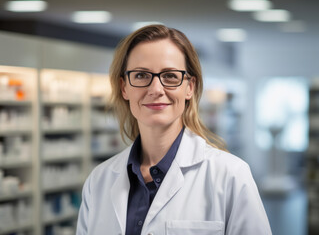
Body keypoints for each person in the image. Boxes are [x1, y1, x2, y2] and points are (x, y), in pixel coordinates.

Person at [76, 24, 272, 235]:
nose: (156, 90)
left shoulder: (230, 175)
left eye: (170, 75)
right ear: (124, 87)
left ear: (190, 87)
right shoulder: (99, 181)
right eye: (141, 75)